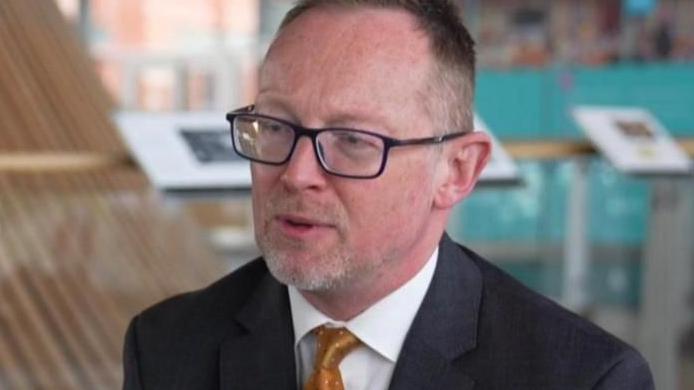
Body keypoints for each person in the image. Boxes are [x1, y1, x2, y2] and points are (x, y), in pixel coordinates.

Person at [123, 0, 654, 389]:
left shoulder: (582, 379)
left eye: (352, 140)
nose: (297, 173)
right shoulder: (167, 347)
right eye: (276, 127)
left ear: (457, 171)